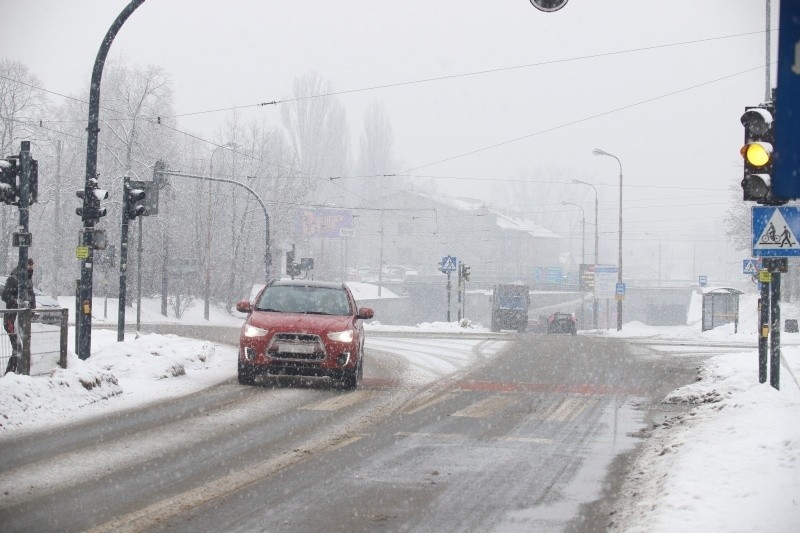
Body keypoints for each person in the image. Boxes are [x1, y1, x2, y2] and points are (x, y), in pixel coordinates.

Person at [3, 258, 36, 374]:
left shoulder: (28, 280)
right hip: (11, 319)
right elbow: (5, 295)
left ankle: (15, 372)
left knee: (21, 347)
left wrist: (32, 308)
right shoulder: (13, 279)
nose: (31, 268)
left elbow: (32, 296)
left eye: (32, 266)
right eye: (29, 265)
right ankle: (12, 372)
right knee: (18, 347)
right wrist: (16, 302)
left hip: (21, 319)